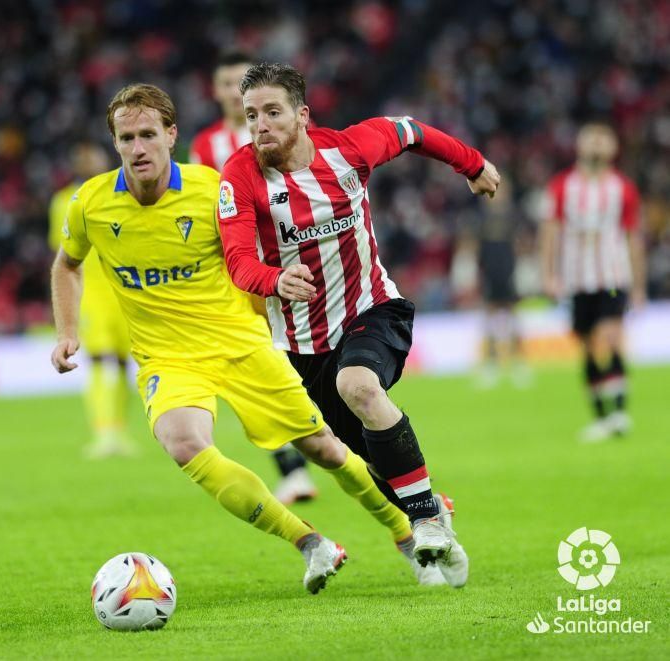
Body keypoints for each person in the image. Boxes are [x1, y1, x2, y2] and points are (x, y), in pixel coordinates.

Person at [51, 83, 443, 593]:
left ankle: (404, 532)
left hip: (242, 343)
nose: (138, 147)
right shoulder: (91, 204)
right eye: (127, 138)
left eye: (149, 134)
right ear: (115, 142)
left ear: (172, 135)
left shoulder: (214, 190)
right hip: (168, 358)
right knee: (184, 443)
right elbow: (68, 264)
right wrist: (66, 332)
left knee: (324, 449)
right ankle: (308, 542)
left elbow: (256, 257)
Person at [219, 62, 501, 587]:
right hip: (304, 343)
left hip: (373, 309)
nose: (260, 125)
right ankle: (433, 511)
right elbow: (237, 262)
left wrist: (472, 164)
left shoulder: (349, 149)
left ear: (302, 116)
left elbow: (413, 131)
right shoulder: (240, 176)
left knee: (359, 385)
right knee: (371, 459)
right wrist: (273, 280)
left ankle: (426, 521)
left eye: (273, 113)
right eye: (252, 115)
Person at [191, 50, 318, 505]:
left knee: (301, 361)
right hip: (240, 273)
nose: (230, 91)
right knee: (264, 365)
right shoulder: (205, 147)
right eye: (225, 84)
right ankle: (293, 465)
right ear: (216, 91)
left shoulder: (283, 133)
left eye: (236, 83)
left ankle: (328, 443)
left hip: (296, 263)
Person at [540, 122, 646, 442]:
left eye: (604, 138)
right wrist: (549, 273)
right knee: (586, 344)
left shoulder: (623, 188)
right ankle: (602, 416)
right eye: (592, 138)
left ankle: (619, 414)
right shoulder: (561, 187)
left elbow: (633, 237)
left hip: (613, 275)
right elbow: (550, 232)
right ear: (580, 145)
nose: (598, 144)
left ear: (614, 147)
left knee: (609, 335)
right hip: (576, 278)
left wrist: (638, 285)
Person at [49, 142, 137, 458]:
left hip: (123, 291)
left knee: (127, 364)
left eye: (94, 156)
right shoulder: (63, 201)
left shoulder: (122, 193)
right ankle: (103, 431)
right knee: (100, 361)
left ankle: (120, 429)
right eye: (84, 157)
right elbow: (61, 255)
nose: (90, 161)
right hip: (91, 296)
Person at [456, 176, 531, 389]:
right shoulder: (479, 217)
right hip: (489, 274)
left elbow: (522, 245)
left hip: (509, 273)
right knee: (488, 320)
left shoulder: (513, 216)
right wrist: (469, 273)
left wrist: (524, 271)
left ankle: (518, 362)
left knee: (514, 318)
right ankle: (490, 363)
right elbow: (471, 246)